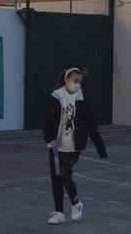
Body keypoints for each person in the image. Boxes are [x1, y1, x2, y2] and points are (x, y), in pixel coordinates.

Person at [42, 67, 107, 224]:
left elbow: (91, 125)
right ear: (66, 80)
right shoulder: (55, 97)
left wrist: (100, 147)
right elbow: (46, 121)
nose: (77, 84)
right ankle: (59, 212)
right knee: (56, 177)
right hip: (57, 145)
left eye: (79, 82)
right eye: (74, 81)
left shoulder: (83, 101)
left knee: (65, 175)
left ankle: (76, 203)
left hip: (74, 146)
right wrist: (49, 139)